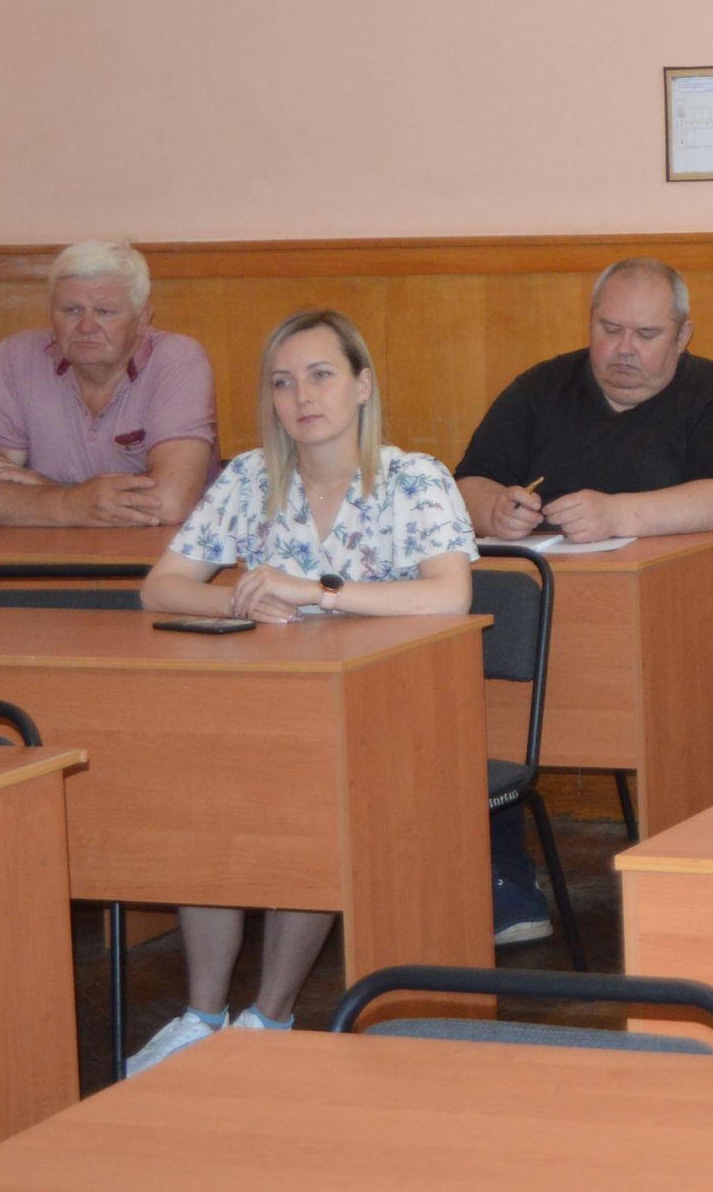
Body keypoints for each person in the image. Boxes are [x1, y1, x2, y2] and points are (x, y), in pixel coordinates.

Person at [131, 309, 473, 1074]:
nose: (302, 397)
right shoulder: (251, 476)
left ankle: (270, 1015)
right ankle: (202, 1015)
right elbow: (161, 586)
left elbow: (448, 595)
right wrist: (244, 598)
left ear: (363, 386)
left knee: (307, 799)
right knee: (203, 794)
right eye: (283, 384)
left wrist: (315, 590)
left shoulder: (414, 478)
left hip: (388, 718)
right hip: (265, 708)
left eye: (321, 376)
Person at [452, 256, 713, 942]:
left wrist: (617, 513)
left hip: (683, 624)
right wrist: (494, 508)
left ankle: (703, 876)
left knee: (687, 677)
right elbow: (468, 481)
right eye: (609, 329)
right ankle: (502, 876)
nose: (624, 349)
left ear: (683, 335)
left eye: (646, 335)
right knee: (470, 673)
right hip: (544, 621)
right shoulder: (541, 388)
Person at [0, 239, 216, 527]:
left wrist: (59, 495)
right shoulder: (17, 357)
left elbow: (171, 502)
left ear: (142, 318)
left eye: (104, 311)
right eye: (71, 310)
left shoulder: (177, 359)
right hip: (42, 549)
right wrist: (69, 503)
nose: (86, 326)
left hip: (156, 551)